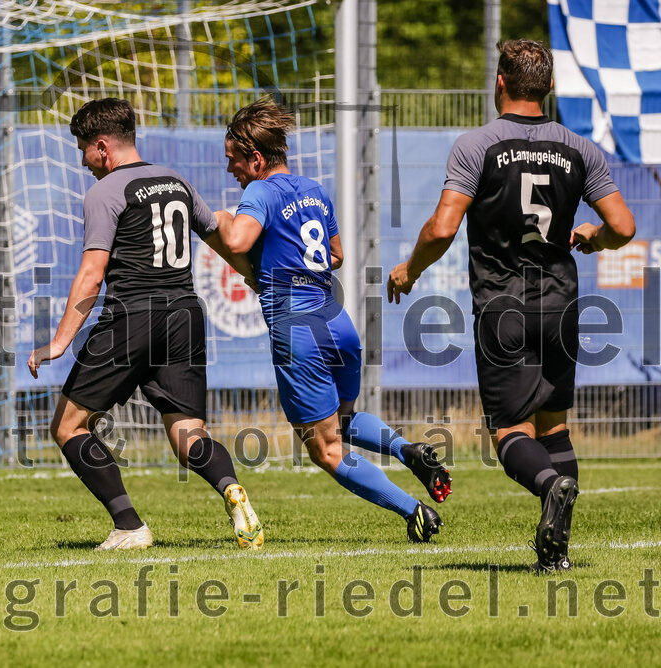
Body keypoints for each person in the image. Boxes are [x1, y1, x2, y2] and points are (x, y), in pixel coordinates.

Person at [387, 40, 635, 571]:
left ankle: (549, 485)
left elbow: (443, 227)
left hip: (504, 306)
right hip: (562, 305)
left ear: (500, 81)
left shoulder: (478, 144)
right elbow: (624, 227)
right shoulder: (579, 148)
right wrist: (593, 239)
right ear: (549, 87)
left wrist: (411, 268)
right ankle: (557, 552)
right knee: (554, 426)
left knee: (510, 435)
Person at [27, 98, 263, 550]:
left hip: (133, 315)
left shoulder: (104, 192)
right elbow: (223, 241)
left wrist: (58, 343)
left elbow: (92, 274)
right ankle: (231, 487)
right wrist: (255, 280)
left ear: (102, 147)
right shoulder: (176, 181)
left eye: (82, 150)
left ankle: (130, 526)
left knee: (69, 427)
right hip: (185, 315)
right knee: (189, 435)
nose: (83, 162)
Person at [216, 97, 451, 544]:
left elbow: (239, 237)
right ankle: (408, 450)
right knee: (342, 422)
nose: (232, 171)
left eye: (234, 162)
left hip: (297, 330)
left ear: (257, 158)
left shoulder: (260, 193)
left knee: (326, 450)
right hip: (335, 320)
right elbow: (337, 255)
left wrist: (221, 220)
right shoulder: (314, 190)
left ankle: (413, 511)